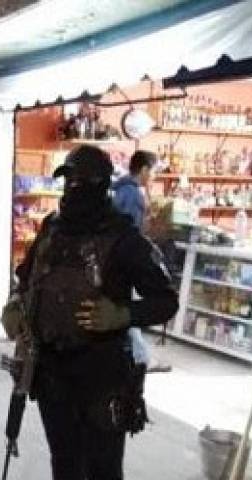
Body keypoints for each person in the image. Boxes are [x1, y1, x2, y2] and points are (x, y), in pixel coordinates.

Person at [7, 146, 178, 480]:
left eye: (80, 183)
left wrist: (122, 314)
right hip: (52, 372)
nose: (72, 190)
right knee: (64, 464)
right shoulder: (52, 229)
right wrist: (15, 304)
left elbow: (166, 300)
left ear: (100, 186)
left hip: (103, 375)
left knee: (103, 469)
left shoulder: (123, 238)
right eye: (68, 181)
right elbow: (26, 278)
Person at [112, 150, 172, 373]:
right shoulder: (132, 195)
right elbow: (130, 232)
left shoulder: (119, 189)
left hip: (112, 259)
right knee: (129, 309)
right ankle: (141, 357)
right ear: (144, 169)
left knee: (125, 308)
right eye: (154, 171)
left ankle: (140, 355)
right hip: (123, 261)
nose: (155, 176)